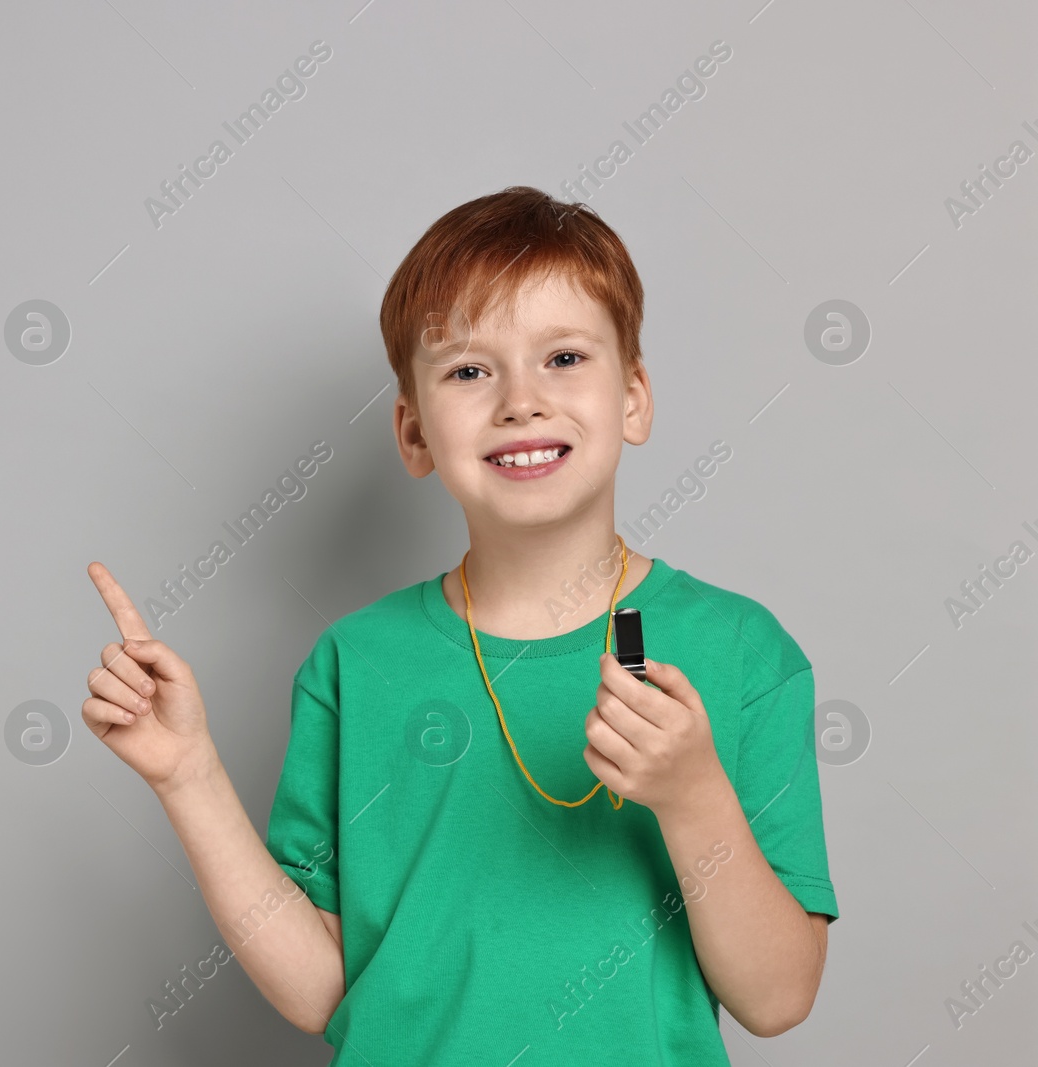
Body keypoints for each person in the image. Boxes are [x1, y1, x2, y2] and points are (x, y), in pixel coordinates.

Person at [82, 185, 837, 1064]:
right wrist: (188, 776)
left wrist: (694, 795)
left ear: (633, 398)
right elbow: (325, 988)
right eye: (469, 370)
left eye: (563, 357)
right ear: (413, 433)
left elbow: (779, 997)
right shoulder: (355, 663)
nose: (521, 400)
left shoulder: (743, 652)